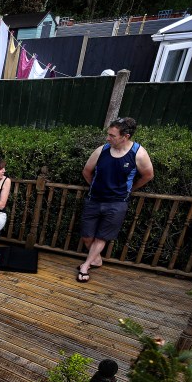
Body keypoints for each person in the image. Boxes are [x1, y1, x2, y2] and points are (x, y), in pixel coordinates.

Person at [78, 117, 154, 283]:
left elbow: (148, 175)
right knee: (87, 235)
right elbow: (86, 171)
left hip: (117, 203)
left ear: (125, 136)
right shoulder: (102, 150)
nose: (108, 138)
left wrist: (131, 189)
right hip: (94, 200)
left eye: (112, 135)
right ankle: (95, 259)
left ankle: (85, 266)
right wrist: (95, 187)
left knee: (101, 237)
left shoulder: (138, 154)